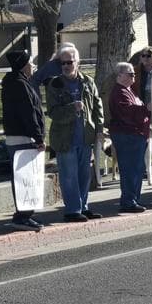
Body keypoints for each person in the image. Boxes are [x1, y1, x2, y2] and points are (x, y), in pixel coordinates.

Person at [46, 45, 104, 222]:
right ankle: (72, 210)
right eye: (62, 63)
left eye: (69, 62)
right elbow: (53, 113)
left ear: (77, 62)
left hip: (85, 137)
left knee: (84, 176)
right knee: (69, 176)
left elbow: (97, 106)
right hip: (65, 139)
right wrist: (73, 108)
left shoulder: (87, 81)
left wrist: (100, 130)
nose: (66, 66)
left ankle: (83, 207)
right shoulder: (55, 84)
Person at [1, 51, 47, 231]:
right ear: (23, 65)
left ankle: (25, 214)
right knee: (25, 178)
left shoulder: (16, 82)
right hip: (23, 137)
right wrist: (38, 137)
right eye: (31, 62)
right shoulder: (19, 85)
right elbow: (28, 113)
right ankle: (22, 215)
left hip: (19, 136)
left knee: (25, 177)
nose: (33, 65)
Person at [108, 62, 151, 213]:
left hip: (136, 136)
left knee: (136, 169)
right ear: (119, 76)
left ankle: (133, 199)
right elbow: (128, 114)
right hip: (127, 136)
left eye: (134, 73)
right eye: (130, 73)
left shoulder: (129, 90)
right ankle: (128, 201)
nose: (134, 76)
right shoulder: (119, 92)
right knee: (130, 170)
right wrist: (146, 109)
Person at [128, 46, 152, 181]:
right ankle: (143, 169)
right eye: (143, 55)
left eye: (148, 55)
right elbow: (131, 90)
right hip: (141, 110)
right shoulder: (136, 72)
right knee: (142, 140)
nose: (145, 58)